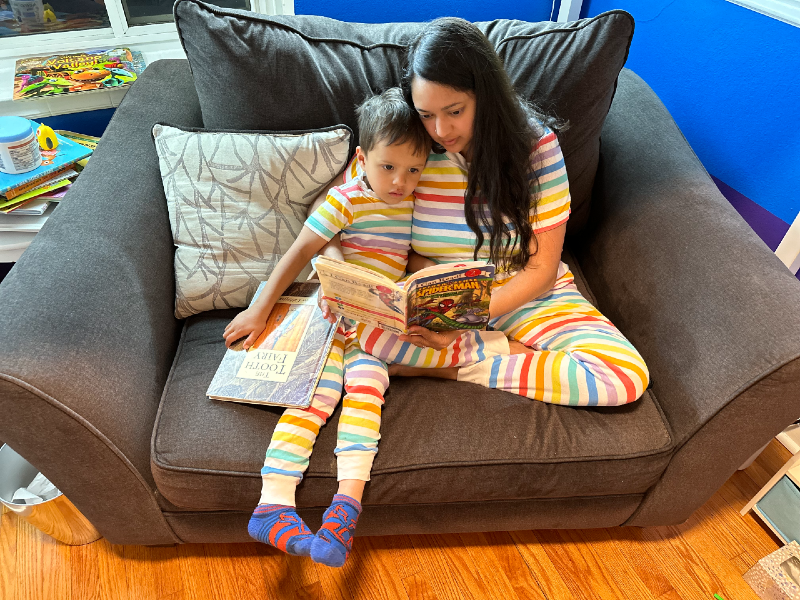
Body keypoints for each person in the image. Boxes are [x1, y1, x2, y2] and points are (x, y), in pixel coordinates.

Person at [318, 18, 650, 406]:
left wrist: (464, 323)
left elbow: (541, 270)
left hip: (522, 293)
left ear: (485, 95)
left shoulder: (535, 149)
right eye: (426, 114)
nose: (440, 130)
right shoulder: (410, 143)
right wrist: (337, 271)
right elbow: (329, 208)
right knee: (357, 342)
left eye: (454, 111)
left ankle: (450, 367)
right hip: (438, 297)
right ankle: (494, 351)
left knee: (623, 376)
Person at [222, 87, 441, 568]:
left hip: (378, 327)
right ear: (362, 159)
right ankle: (273, 503)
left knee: (368, 390)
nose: (400, 181)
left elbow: (408, 254)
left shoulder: (414, 204)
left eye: (414, 170)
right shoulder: (346, 200)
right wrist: (259, 309)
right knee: (312, 397)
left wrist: (427, 280)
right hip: (333, 318)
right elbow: (299, 251)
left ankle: (345, 509)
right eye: (388, 167)